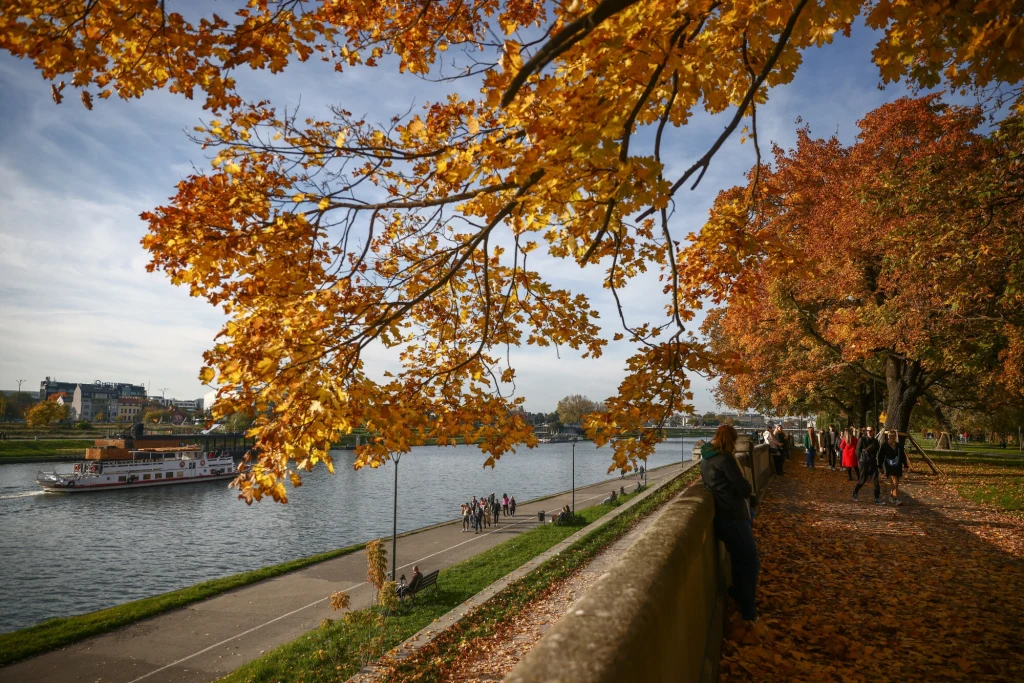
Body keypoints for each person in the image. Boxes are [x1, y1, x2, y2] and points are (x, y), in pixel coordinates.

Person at [700, 424, 759, 622]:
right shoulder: (725, 459)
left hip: (722, 515)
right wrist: (748, 489)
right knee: (751, 561)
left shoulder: (706, 458)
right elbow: (741, 486)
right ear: (732, 440)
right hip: (733, 514)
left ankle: (737, 593)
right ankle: (749, 611)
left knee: (738, 557)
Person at [853, 426, 883, 504]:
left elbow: (878, 453)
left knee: (876, 481)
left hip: (873, 463)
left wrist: (879, 464)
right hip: (864, 463)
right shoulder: (862, 439)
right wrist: (860, 461)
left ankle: (877, 498)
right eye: (868, 431)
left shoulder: (876, 441)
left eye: (871, 431)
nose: (869, 432)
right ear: (866, 431)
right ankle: (855, 492)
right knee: (862, 480)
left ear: (873, 431)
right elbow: (857, 451)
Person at [880, 431, 911, 504]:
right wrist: (880, 466)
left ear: (896, 437)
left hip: (898, 466)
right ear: (888, 436)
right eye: (890, 435)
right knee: (895, 482)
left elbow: (903, 456)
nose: (892, 437)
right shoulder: (884, 445)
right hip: (889, 466)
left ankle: (891, 497)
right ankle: (895, 499)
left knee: (896, 483)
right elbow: (880, 456)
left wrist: (905, 465)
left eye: (893, 436)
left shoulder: (899, 445)